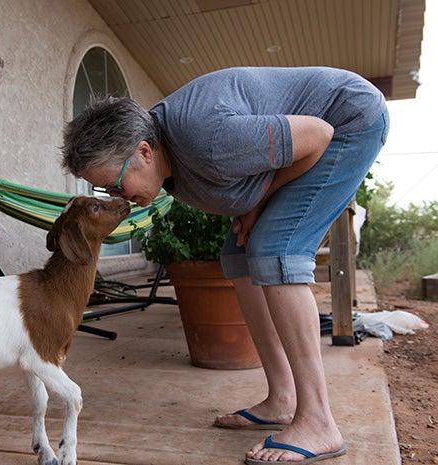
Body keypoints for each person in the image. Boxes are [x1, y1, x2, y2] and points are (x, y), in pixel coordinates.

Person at [61, 66, 388, 464]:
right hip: (325, 129)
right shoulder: (170, 154)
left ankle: (319, 420)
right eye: (105, 190)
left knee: (276, 249)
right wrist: (253, 204)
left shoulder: (209, 141)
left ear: (144, 152)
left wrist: (262, 202)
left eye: (116, 185)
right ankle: (283, 398)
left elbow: (318, 135)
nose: (119, 197)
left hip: (349, 119)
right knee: (237, 254)